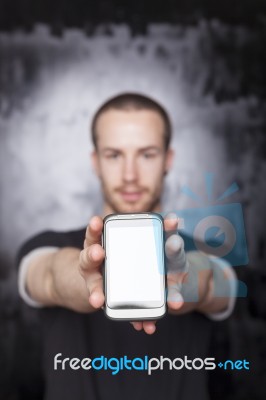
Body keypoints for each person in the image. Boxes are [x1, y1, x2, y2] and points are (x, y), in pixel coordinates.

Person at [17, 93, 236, 400]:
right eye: (114, 155)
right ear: (95, 162)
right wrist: (89, 279)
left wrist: (183, 282)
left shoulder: (209, 250)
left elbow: (211, 280)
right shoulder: (46, 247)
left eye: (147, 154)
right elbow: (52, 277)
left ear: (167, 160)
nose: (130, 175)